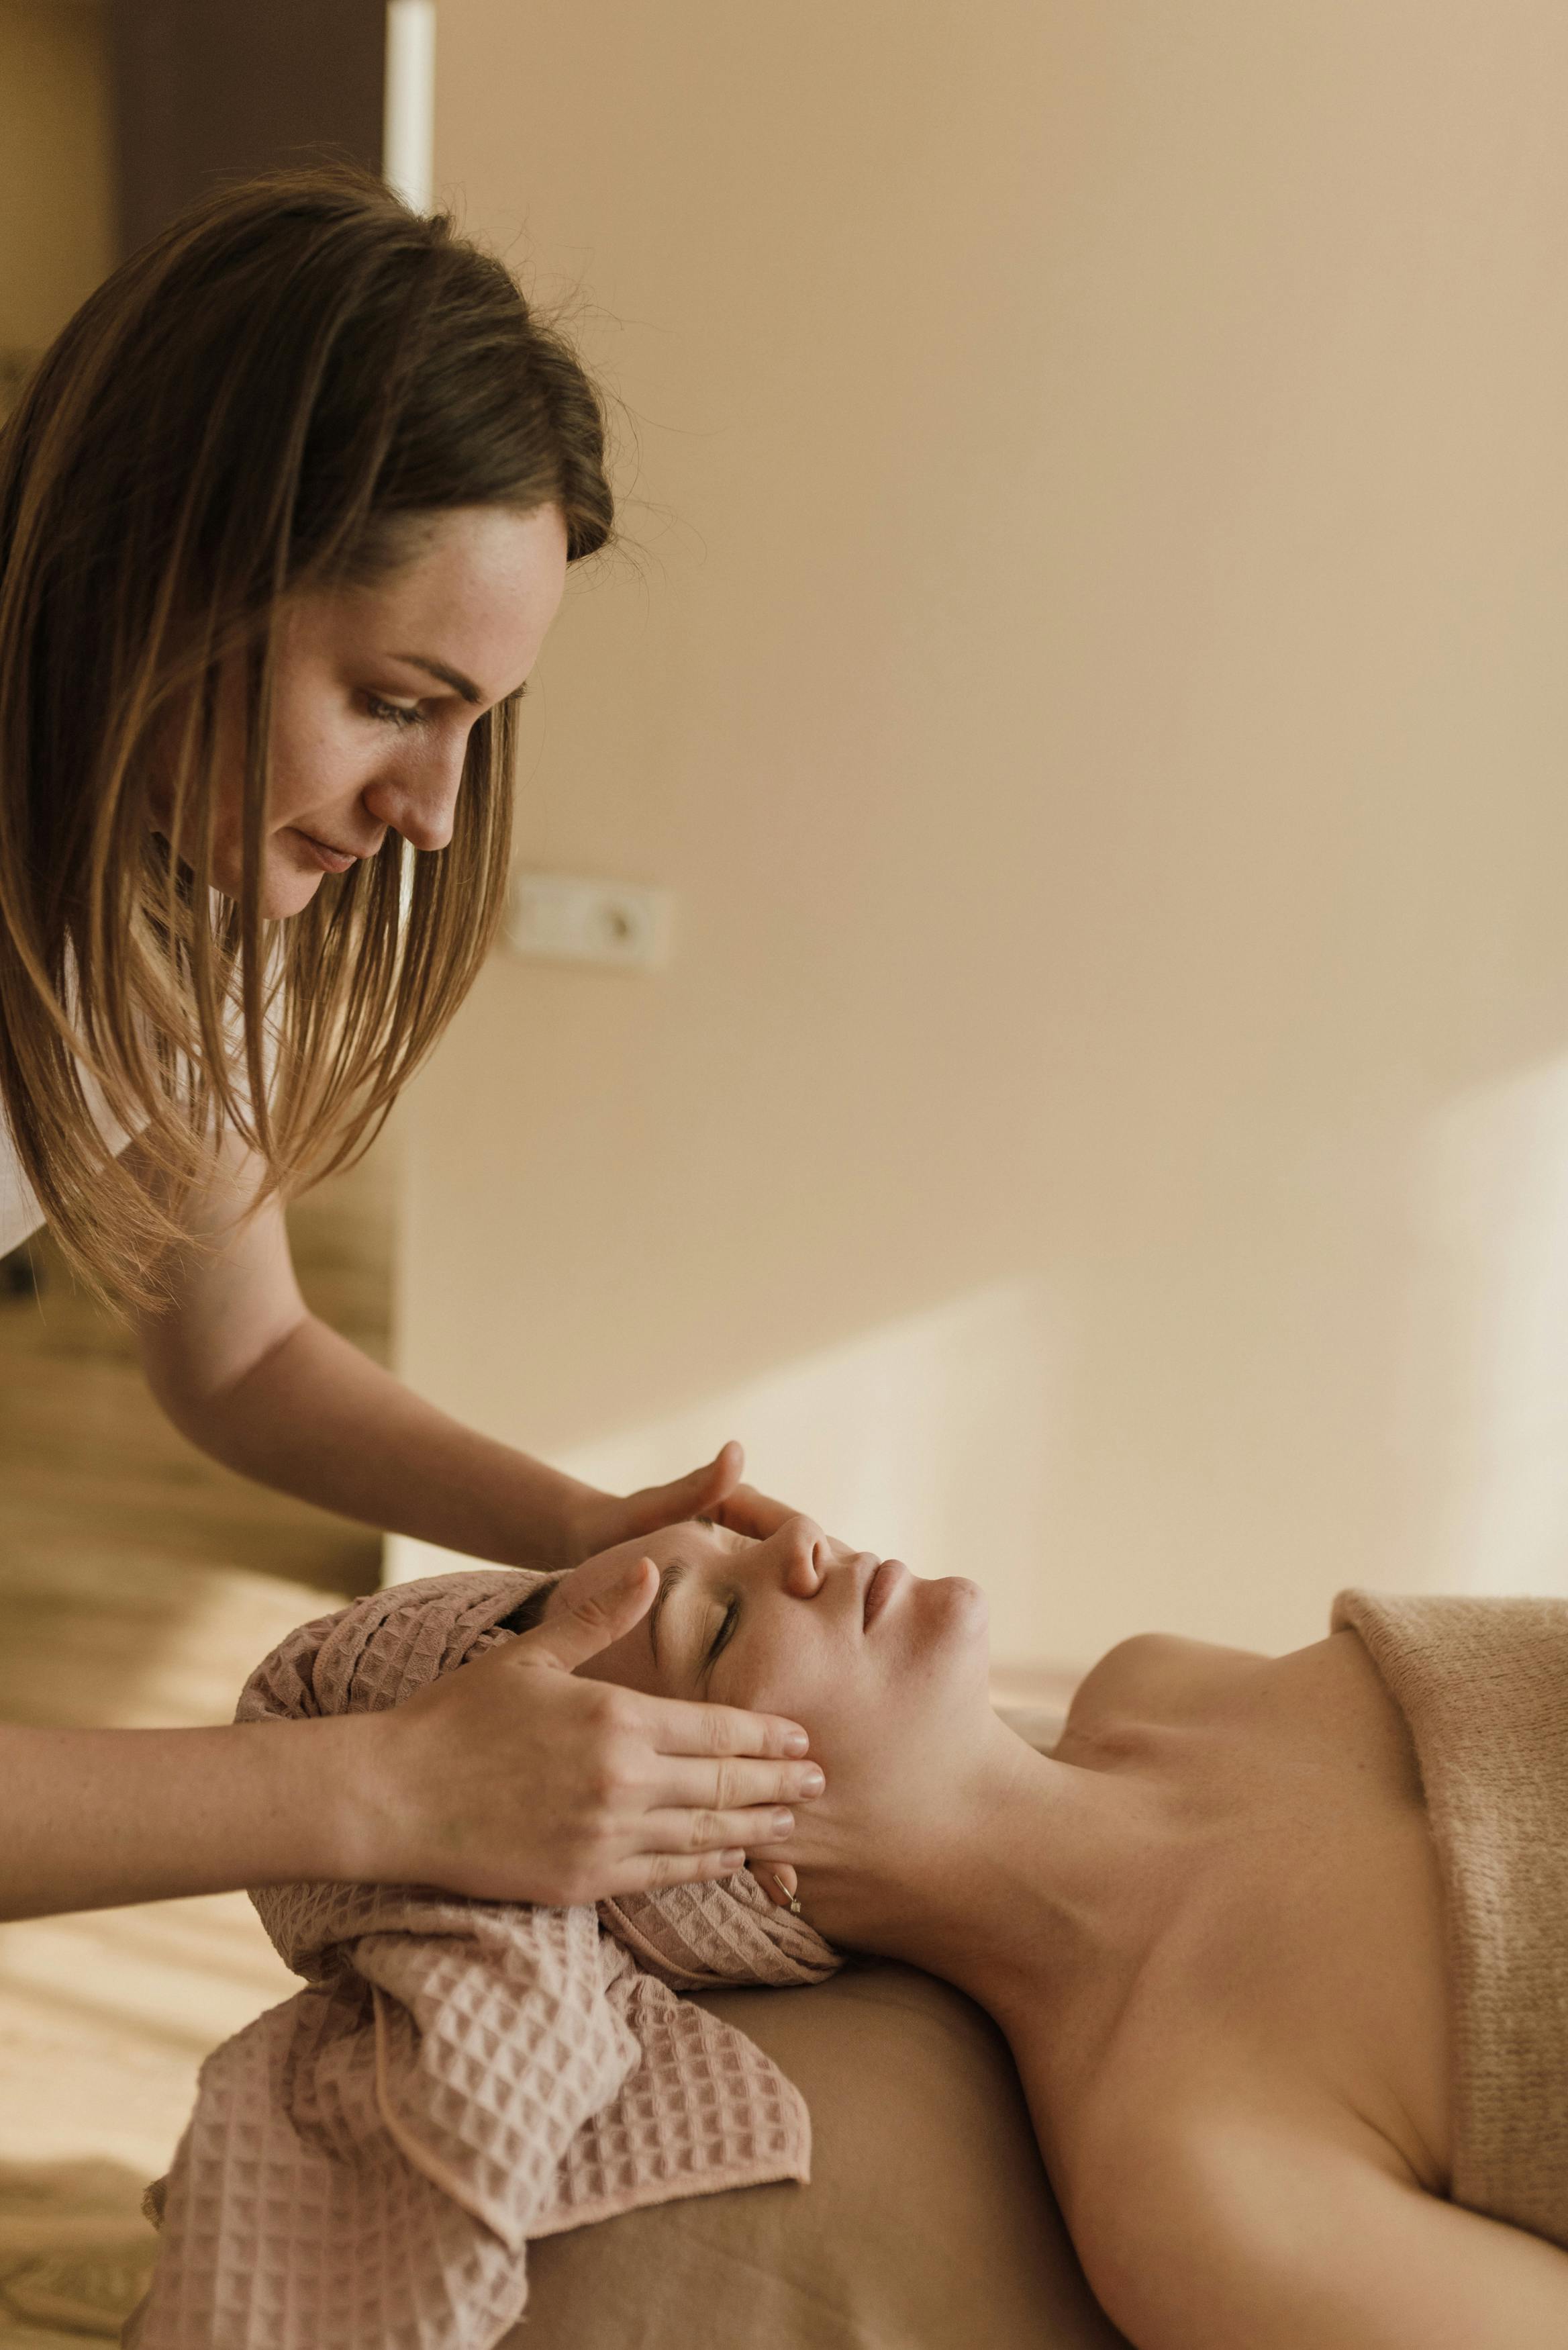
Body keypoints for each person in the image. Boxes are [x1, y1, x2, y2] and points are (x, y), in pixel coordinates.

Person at [0, 166, 831, 1928]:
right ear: (162, 570)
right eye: (391, 700)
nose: (438, 813)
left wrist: (590, 1523)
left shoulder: (162, 895)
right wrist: (388, 1784)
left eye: (473, 725)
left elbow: (241, 1356)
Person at [534, 1514, 1568, 2349]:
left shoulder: (1162, 1676)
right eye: (719, 1624)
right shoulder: (1193, 2191)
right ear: (735, 1877)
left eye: (734, 1537)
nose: (797, 1540)